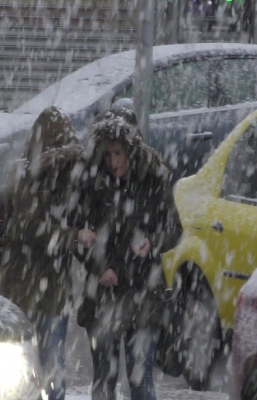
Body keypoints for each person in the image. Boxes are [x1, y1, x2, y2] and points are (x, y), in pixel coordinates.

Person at [0, 105, 86, 400]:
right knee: (17, 371)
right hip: (24, 294)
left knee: (53, 369)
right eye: (55, 149)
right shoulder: (25, 179)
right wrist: (72, 236)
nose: (59, 159)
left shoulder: (69, 178)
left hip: (52, 295)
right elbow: (29, 229)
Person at [77, 111, 174, 400]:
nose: (113, 161)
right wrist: (99, 268)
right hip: (103, 298)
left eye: (118, 153)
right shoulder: (93, 184)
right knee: (104, 381)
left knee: (140, 382)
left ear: (130, 150)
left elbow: (174, 228)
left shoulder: (154, 179)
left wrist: (152, 242)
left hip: (144, 294)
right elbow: (78, 236)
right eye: (107, 155)